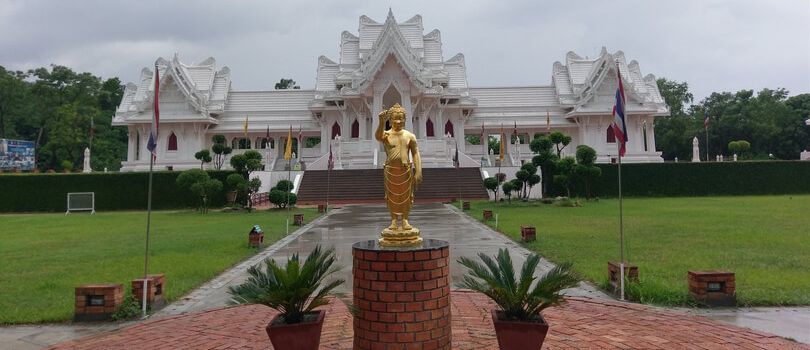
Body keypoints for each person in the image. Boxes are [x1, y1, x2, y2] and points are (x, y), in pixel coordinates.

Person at [376, 103, 422, 232]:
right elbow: (378, 137)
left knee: (407, 195)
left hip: (406, 170)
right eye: (395, 118)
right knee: (391, 195)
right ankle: (394, 220)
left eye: (401, 118)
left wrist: (418, 170)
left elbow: (415, 153)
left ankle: (405, 219)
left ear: (405, 119)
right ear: (390, 120)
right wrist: (380, 122)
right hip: (390, 170)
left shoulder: (409, 136)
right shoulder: (386, 134)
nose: (398, 121)